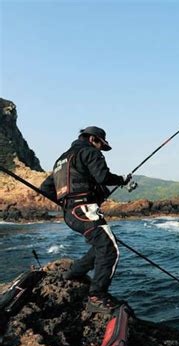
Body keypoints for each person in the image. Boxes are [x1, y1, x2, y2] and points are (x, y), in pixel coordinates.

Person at [41, 126, 131, 313]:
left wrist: (68, 202)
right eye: (100, 144)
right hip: (84, 210)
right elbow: (103, 176)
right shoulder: (89, 152)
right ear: (93, 139)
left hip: (70, 214)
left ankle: (74, 274)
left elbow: (46, 189)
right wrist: (122, 179)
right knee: (109, 249)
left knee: (100, 245)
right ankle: (97, 297)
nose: (100, 149)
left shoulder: (61, 160)